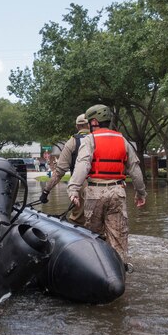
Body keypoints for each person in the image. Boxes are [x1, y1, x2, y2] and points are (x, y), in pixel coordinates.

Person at [67, 104, 146, 266]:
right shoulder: (122, 140)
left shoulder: (90, 139)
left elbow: (83, 165)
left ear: (94, 122)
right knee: (118, 237)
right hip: (117, 192)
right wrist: (141, 193)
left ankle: (97, 268)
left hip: (95, 193)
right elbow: (135, 170)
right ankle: (120, 269)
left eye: (89, 122)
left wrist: (73, 189)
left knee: (93, 235)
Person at [39, 113, 91, 225]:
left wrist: (46, 191)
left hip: (81, 184)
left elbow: (59, 172)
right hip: (104, 184)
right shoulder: (99, 138)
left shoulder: (72, 142)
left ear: (77, 126)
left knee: (77, 221)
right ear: (90, 125)